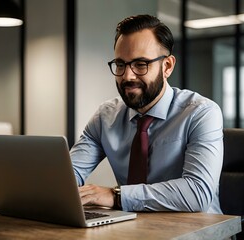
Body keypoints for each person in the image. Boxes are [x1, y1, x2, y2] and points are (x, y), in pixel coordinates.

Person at [70, 14, 223, 213]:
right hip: (134, 228)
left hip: (200, 231)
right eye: (120, 64)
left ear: (167, 66)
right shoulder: (105, 117)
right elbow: (68, 175)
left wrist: (115, 195)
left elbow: (197, 193)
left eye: (140, 64)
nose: (127, 76)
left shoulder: (201, 113)